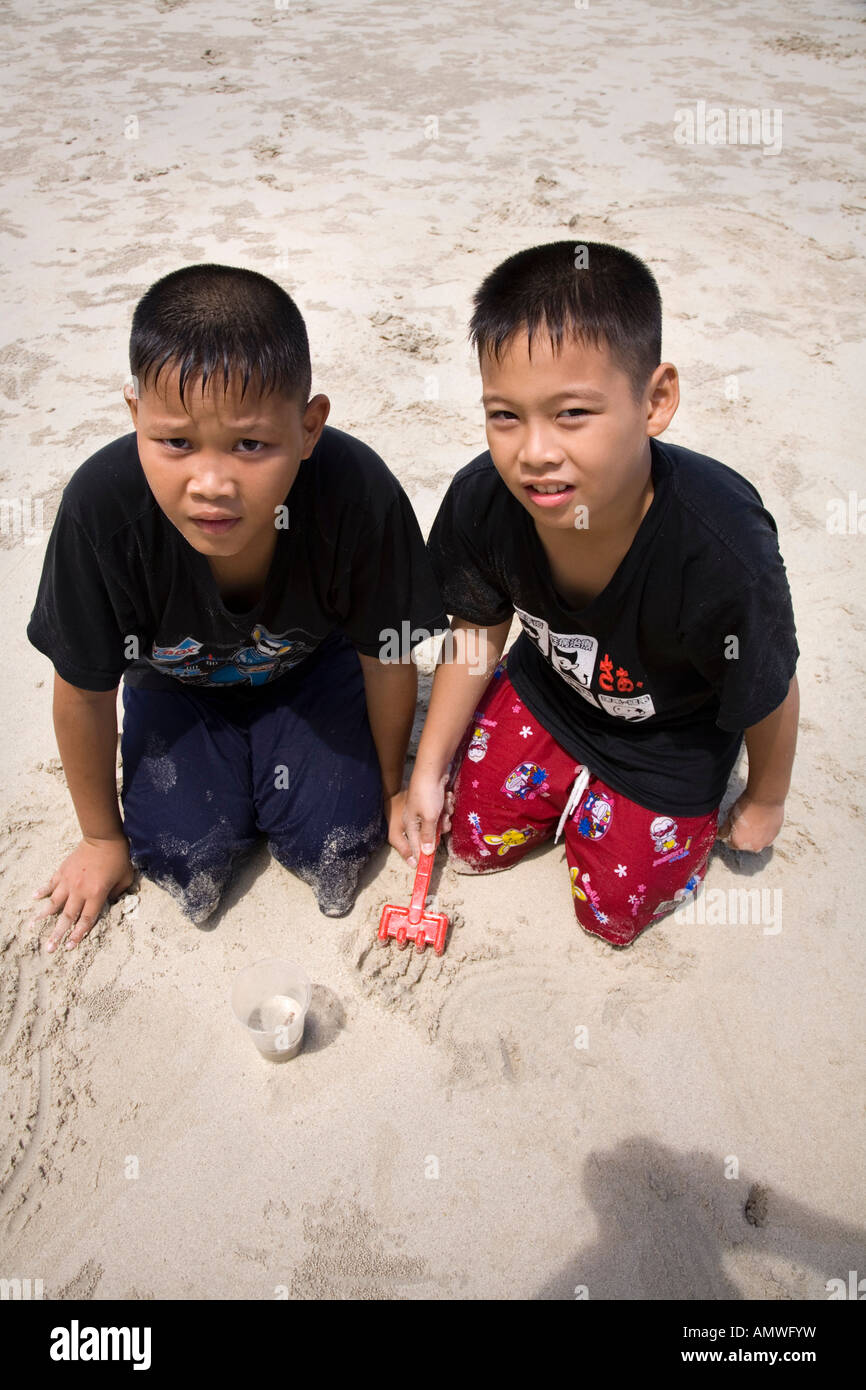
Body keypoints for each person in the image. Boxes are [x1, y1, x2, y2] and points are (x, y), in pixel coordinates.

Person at [27, 264, 448, 952]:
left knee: (337, 849)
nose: (211, 483)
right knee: (184, 858)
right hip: (176, 682)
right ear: (135, 417)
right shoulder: (102, 510)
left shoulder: (355, 495)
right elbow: (81, 691)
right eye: (176, 442)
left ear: (310, 427)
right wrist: (101, 838)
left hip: (310, 671)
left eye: (251, 444)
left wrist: (396, 786)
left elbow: (386, 651)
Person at [402, 241, 800, 947]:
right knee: (471, 838)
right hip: (551, 690)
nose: (534, 451)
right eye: (505, 415)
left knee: (612, 912)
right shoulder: (483, 501)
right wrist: (427, 772)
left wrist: (765, 798)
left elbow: (769, 686)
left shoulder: (720, 549)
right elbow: (477, 632)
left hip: (670, 735)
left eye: (573, 413)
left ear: (655, 400)